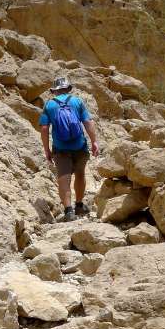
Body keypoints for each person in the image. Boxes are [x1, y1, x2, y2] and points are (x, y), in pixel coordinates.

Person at [39, 77, 99, 222]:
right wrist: (94, 141)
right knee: (80, 174)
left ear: (55, 91)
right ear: (68, 89)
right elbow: (87, 122)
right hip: (80, 145)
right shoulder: (77, 101)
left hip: (60, 148)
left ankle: (68, 211)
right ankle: (79, 205)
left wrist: (46, 149)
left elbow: (44, 128)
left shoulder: (49, 105)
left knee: (63, 178)